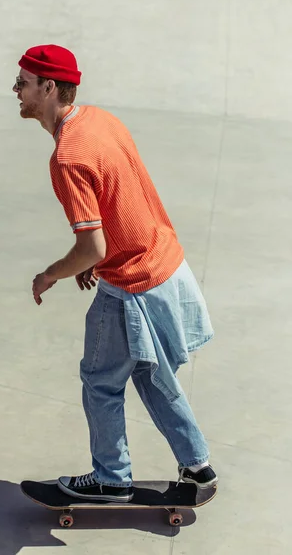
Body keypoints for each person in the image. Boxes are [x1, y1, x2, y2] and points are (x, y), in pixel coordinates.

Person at [13, 44, 218, 503]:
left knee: (100, 380)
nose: (15, 90)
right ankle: (197, 464)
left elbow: (92, 244)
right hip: (166, 265)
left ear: (49, 88)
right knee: (150, 374)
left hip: (132, 286)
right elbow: (120, 206)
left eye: (23, 82)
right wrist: (93, 261)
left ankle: (110, 478)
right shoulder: (100, 120)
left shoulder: (67, 157)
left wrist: (52, 273)